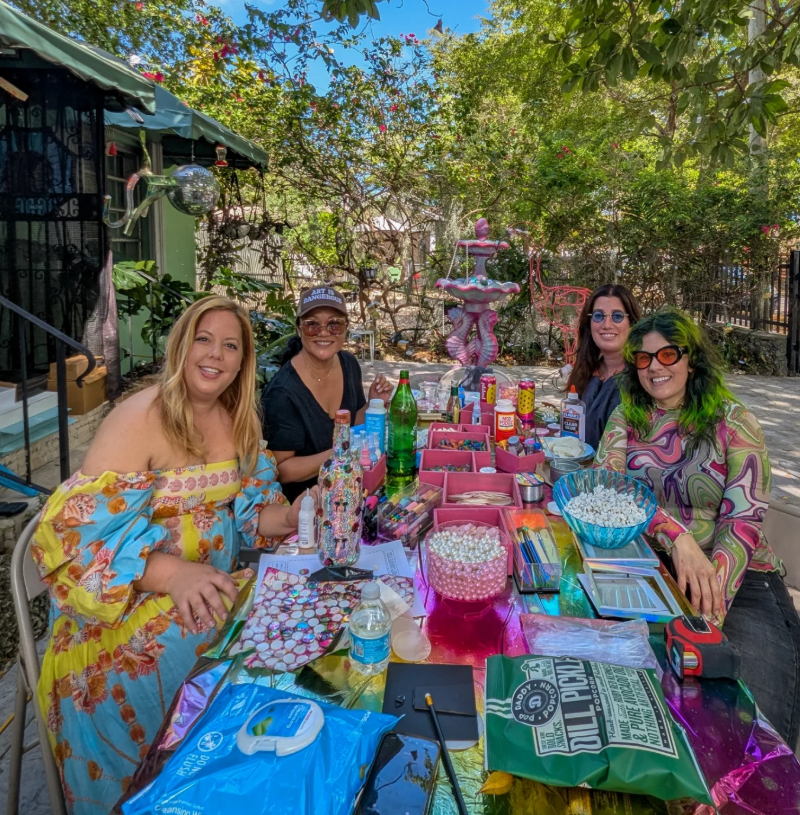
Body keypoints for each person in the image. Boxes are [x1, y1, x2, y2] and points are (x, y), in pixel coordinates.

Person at [32, 297, 310, 814]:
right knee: (242, 659)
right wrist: (174, 572)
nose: (216, 355)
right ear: (181, 345)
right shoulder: (140, 416)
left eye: (231, 346)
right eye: (204, 339)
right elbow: (76, 540)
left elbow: (254, 515)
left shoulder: (236, 416)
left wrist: (295, 517)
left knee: (282, 630)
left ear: (244, 361)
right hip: (117, 624)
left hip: (207, 592)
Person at [595, 307, 800, 747]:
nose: (655, 368)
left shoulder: (733, 420)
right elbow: (609, 486)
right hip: (650, 568)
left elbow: (742, 521)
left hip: (741, 578)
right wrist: (677, 536)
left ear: (691, 360)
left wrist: (711, 609)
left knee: (751, 728)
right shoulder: (627, 416)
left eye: (668, 355)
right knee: (630, 700)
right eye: (644, 359)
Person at [261, 286, 393, 502]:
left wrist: (373, 405)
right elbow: (282, 471)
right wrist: (339, 453)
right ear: (299, 329)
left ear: (345, 329)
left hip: (350, 491)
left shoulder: (348, 364)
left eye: (334, 324)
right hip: (306, 508)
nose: (323, 332)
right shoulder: (281, 393)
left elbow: (351, 427)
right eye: (312, 324)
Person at [565, 284, 641, 450]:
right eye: (599, 316)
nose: (607, 324)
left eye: (617, 316)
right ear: (589, 323)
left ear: (632, 323)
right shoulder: (585, 372)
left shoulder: (641, 378)